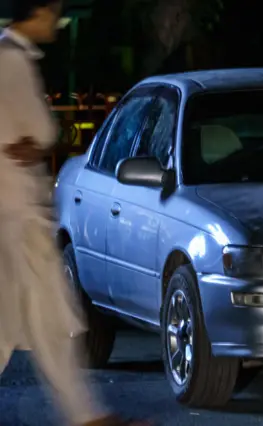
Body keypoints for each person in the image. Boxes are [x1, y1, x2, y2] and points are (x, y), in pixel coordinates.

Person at [0, 1, 148, 425]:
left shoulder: (9, 57)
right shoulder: (11, 62)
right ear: (37, 12)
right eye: (54, 13)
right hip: (20, 215)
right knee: (41, 324)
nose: (58, 23)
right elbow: (45, 129)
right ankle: (86, 417)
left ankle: (86, 415)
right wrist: (38, 137)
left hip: (16, 214)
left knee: (29, 324)